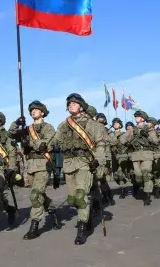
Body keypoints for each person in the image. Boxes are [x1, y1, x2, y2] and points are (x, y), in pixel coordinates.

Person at [51, 93, 106, 245]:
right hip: (69, 163)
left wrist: (98, 160)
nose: (70, 105)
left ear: (81, 106)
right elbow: (54, 140)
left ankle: (81, 229)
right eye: (69, 103)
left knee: (81, 196)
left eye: (74, 103)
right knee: (72, 199)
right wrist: (44, 145)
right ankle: (86, 218)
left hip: (84, 163)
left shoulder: (92, 124)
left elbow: (101, 143)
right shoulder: (64, 125)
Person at [9, 100, 61, 240]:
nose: (33, 111)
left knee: (35, 195)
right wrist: (17, 122)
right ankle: (53, 210)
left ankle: (35, 226)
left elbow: (47, 144)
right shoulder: (27, 128)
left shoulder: (48, 127)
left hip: (43, 164)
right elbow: (11, 134)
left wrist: (29, 142)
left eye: (36, 109)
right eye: (31, 110)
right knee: (39, 194)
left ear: (42, 112)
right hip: (30, 165)